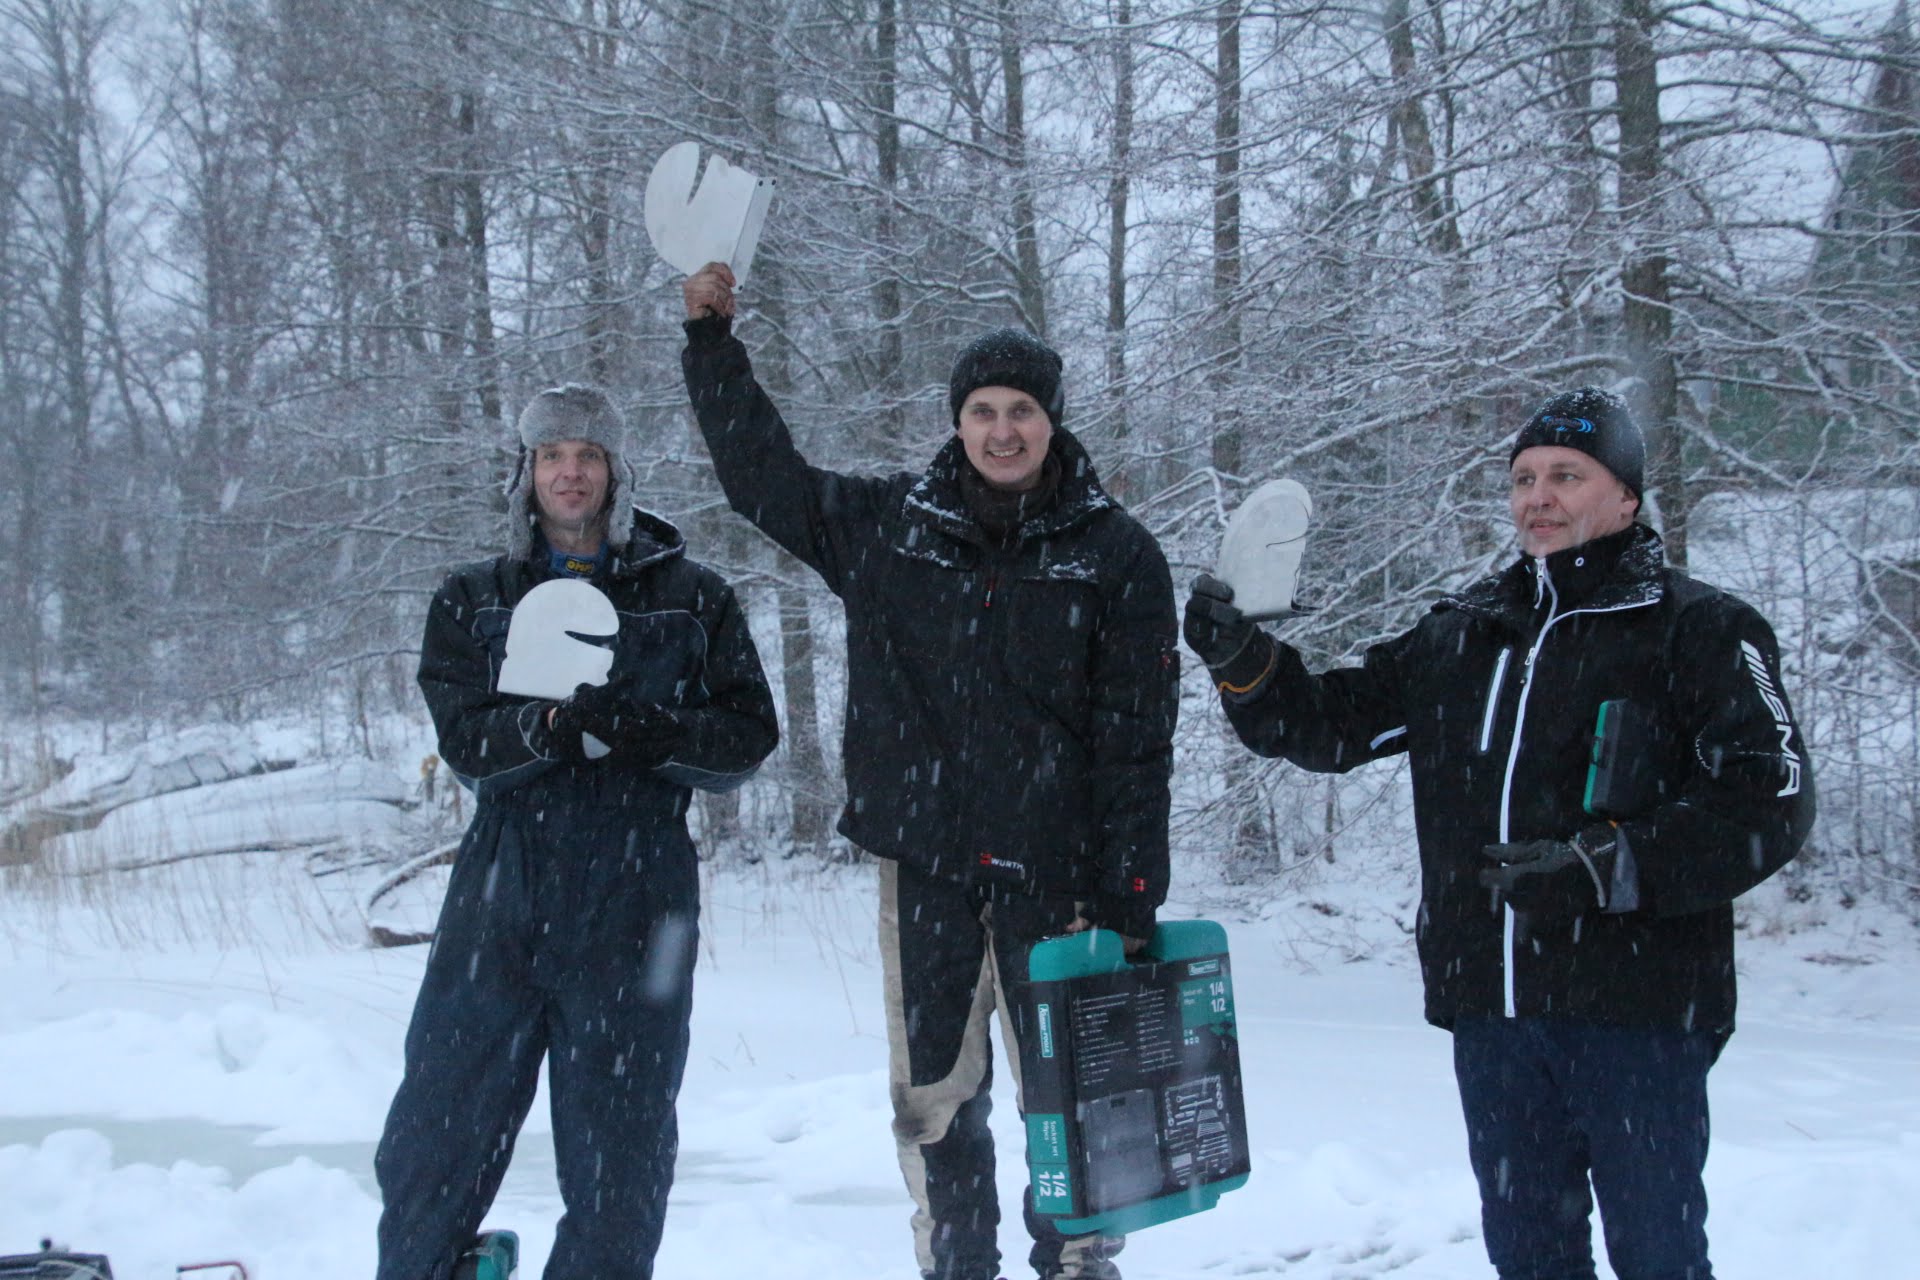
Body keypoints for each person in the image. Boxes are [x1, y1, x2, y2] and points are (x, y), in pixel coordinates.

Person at [1183, 387, 1814, 1280]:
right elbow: (1328, 726)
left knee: (1659, 1255)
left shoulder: (1700, 629)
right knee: (1529, 1257)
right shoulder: (1464, 636)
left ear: (1627, 498)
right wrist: (1245, 663)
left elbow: (1770, 798)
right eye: (1523, 478)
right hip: (1496, 1010)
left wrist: (1607, 865)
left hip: (1639, 1014)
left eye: (1567, 475)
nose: (1538, 497)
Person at [680, 262, 1179, 1280]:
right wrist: (712, 347)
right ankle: (956, 1262)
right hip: (928, 863)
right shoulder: (889, 528)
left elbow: (1137, 737)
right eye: (984, 410)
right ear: (957, 421)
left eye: (1023, 410)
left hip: (1065, 875)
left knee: (1073, 1089)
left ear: (1053, 419)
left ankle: (1082, 1261)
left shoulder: (1117, 554)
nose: (1003, 430)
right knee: (935, 1094)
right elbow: (762, 478)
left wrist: (1131, 893)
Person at [374, 384, 779, 1280]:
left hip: (640, 898)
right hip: (502, 889)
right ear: (526, 473)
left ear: (615, 473)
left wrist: (662, 736)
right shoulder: (471, 598)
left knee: (621, 1151)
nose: (570, 471)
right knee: (439, 1125)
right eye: (552, 454)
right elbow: (466, 745)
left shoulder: (691, 599)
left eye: (587, 455)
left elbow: (749, 738)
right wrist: (542, 731)